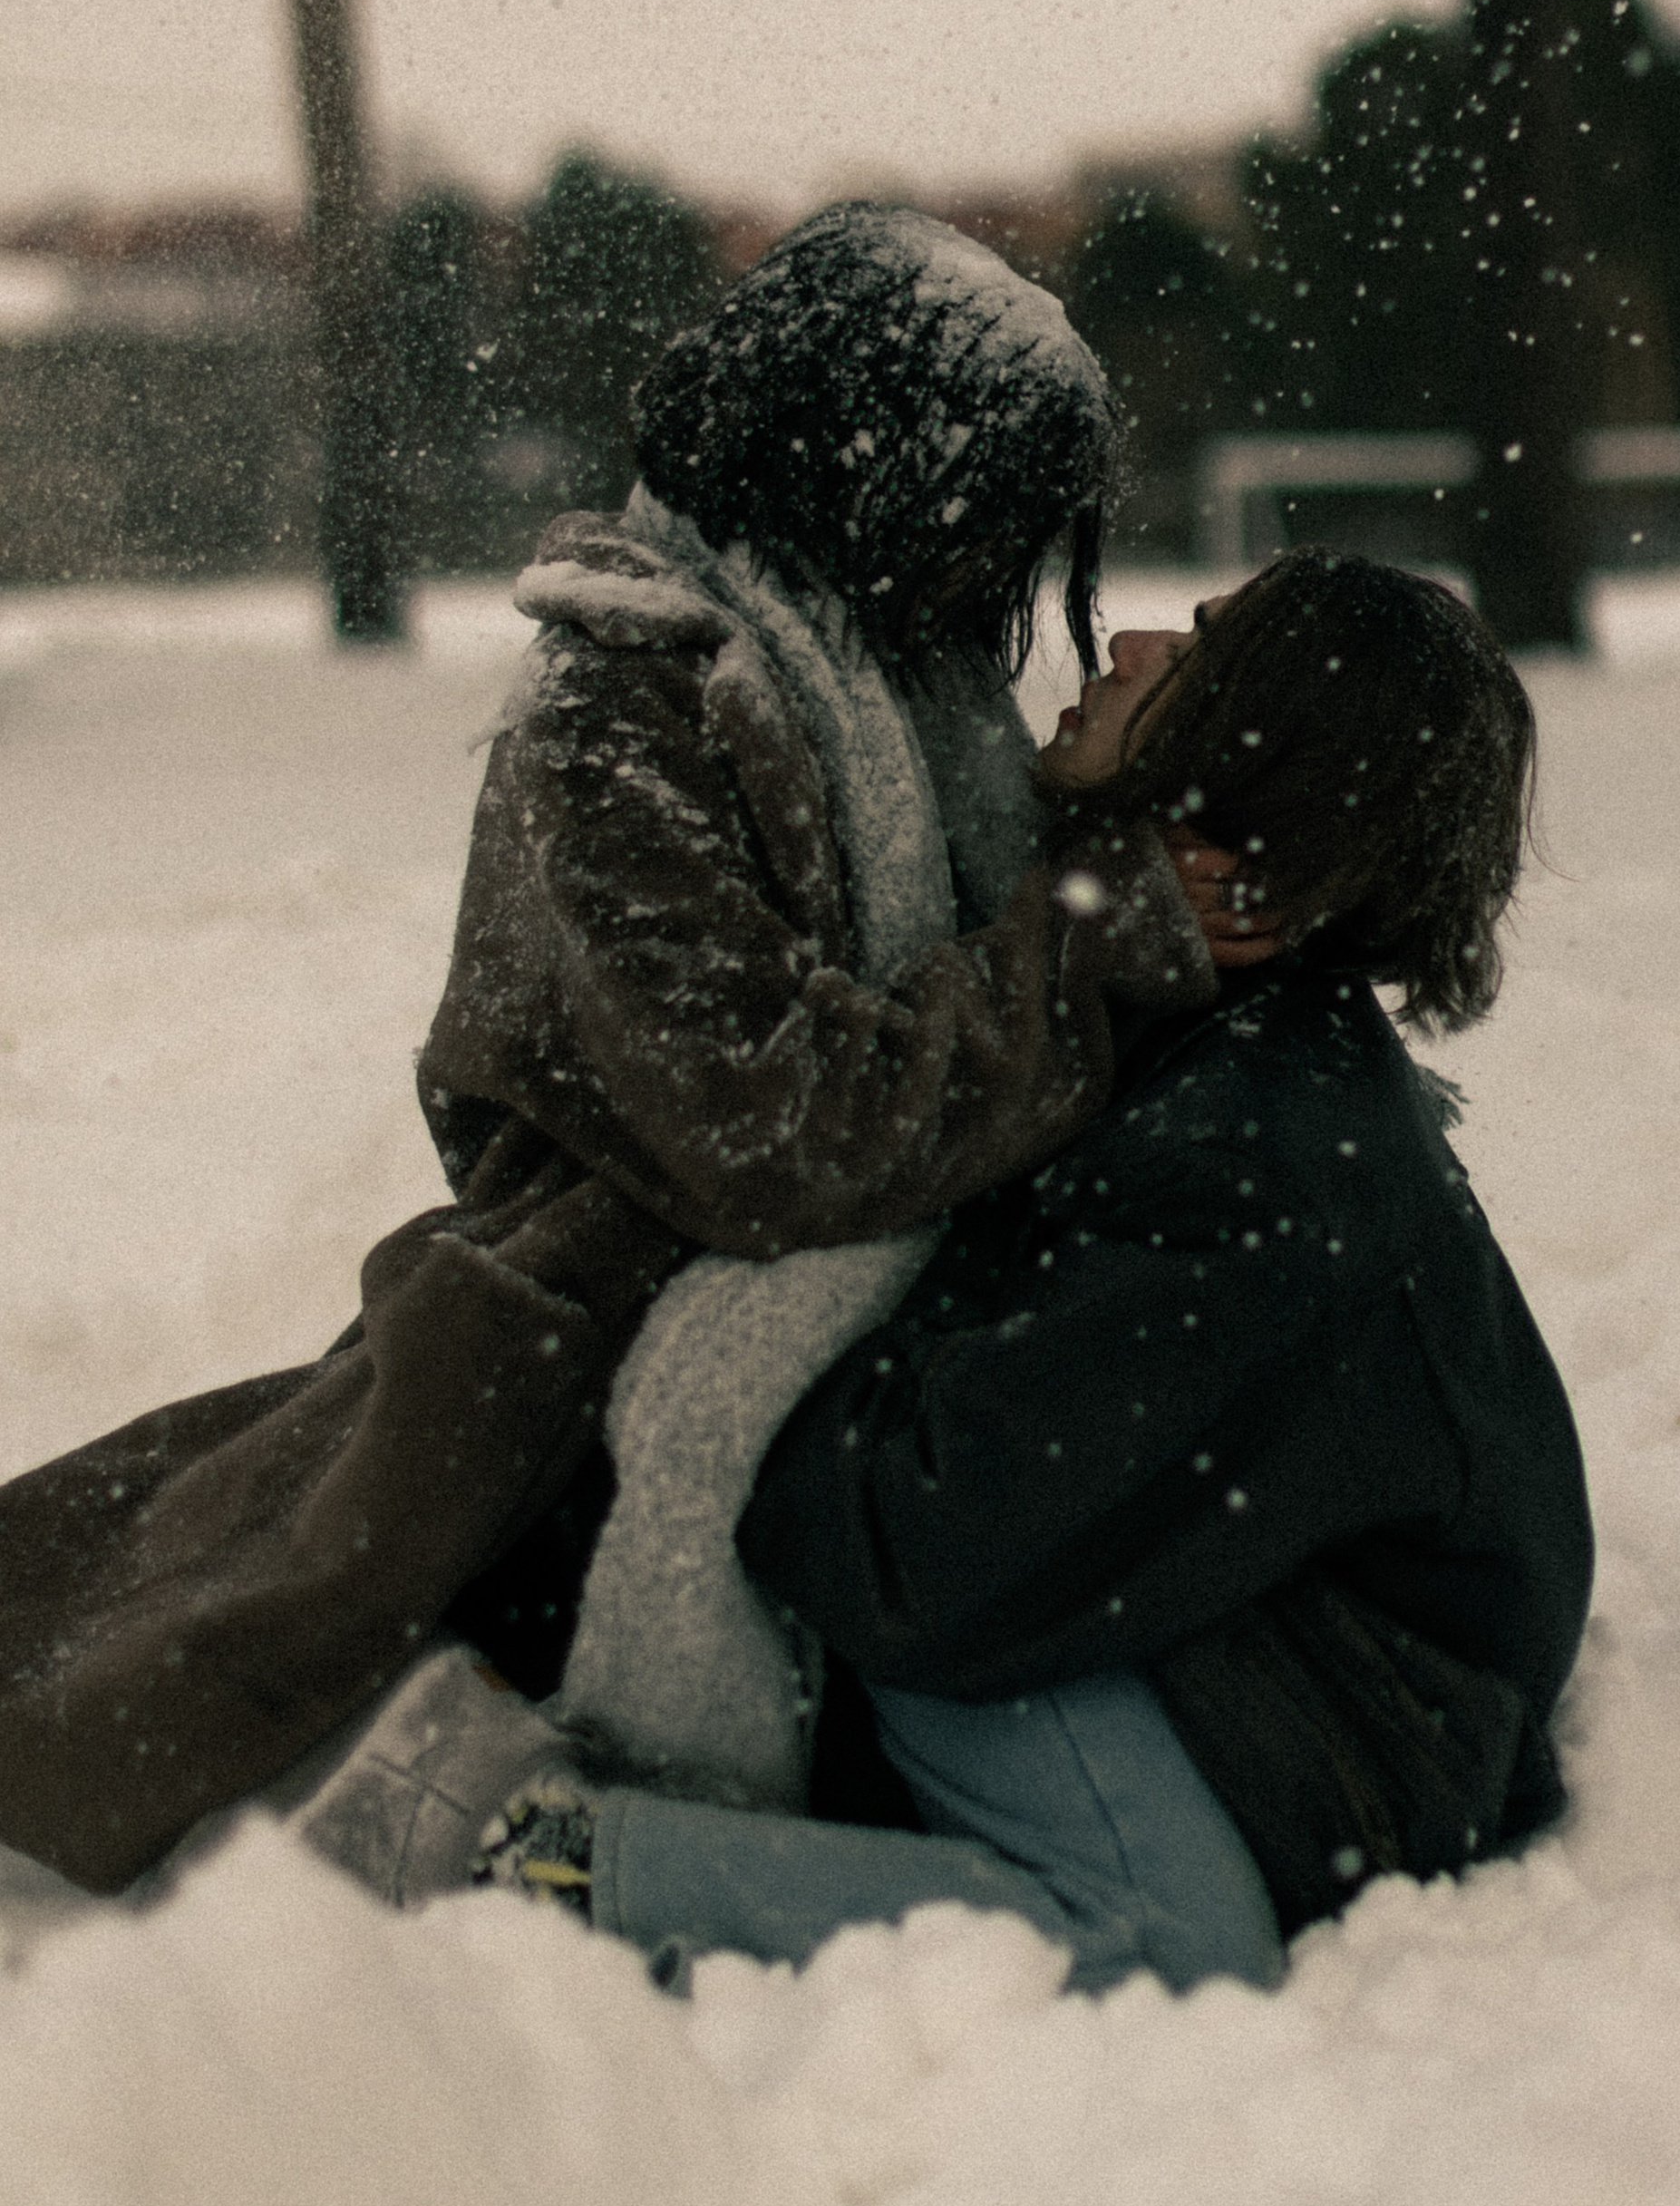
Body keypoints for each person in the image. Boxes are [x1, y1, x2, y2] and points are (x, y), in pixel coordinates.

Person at [0, 206, 1235, 1898]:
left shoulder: (899, 692)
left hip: (810, 1313)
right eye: (983, 507)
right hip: (577, 1336)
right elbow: (775, 1125)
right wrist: (1107, 939)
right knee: (189, 1637)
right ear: (871, 459)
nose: (1000, 571)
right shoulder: (620, 711)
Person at [472, 550, 1595, 1996]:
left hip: (1334, 1708)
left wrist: (761, 1422)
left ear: (1267, 753)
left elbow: (933, 1561)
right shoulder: (1187, 1019)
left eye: (1193, 647)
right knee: (1167, 1931)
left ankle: (555, 1871)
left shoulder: (1263, 1146)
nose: (1121, 641)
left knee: (1166, 1947)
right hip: (1205, 1638)